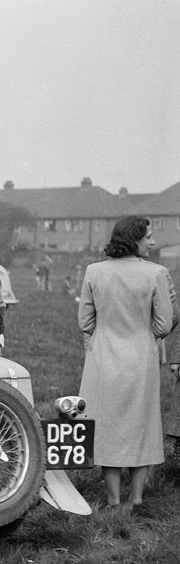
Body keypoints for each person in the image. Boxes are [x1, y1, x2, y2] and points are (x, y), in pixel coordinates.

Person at [79, 216, 175, 507]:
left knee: (107, 424)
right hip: (140, 360)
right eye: (148, 237)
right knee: (140, 424)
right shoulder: (156, 273)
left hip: (104, 359)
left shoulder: (94, 271)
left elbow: (85, 320)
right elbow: (163, 326)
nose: (153, 242)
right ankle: (135, 499)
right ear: (134, 239)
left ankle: (112, 499)